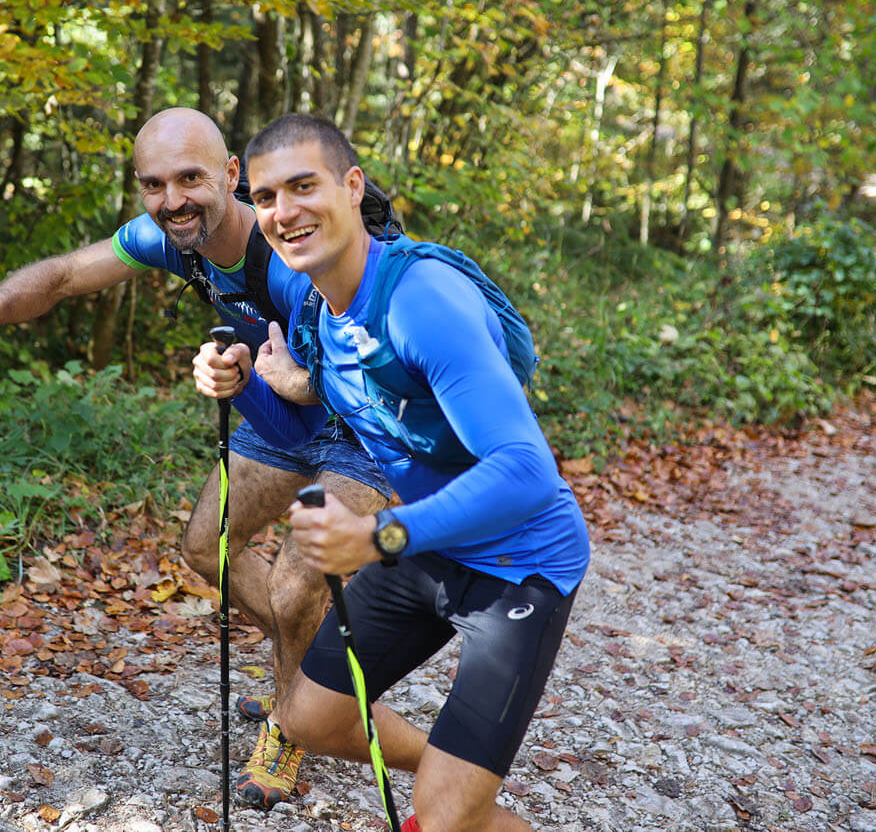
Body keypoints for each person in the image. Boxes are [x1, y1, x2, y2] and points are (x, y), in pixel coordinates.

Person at [0, 107, 391, 809]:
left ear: (231, 175)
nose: (172, 199)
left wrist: (286, 376)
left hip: (361, 423)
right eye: (153, 184)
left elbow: (373, 364)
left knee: (298, 582)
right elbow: (63, 275)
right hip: (281, 410)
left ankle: (294, 723)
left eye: (189, 179)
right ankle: (312, 674)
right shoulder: (174, 240)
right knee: (207, 547)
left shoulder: (292, 250)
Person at [191, 114, 590, 832]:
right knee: (307, 719)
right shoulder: (320, 311)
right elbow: (302, 435)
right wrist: (244, 385)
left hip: (518, 564)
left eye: (303, 186)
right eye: (267, 196)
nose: (283, 211)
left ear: (351, 187)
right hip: (428, 547)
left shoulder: (421, 301)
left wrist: (380, 535)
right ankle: (455, 779)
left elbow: (528, 471)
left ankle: (453, 798)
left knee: (442, 818)